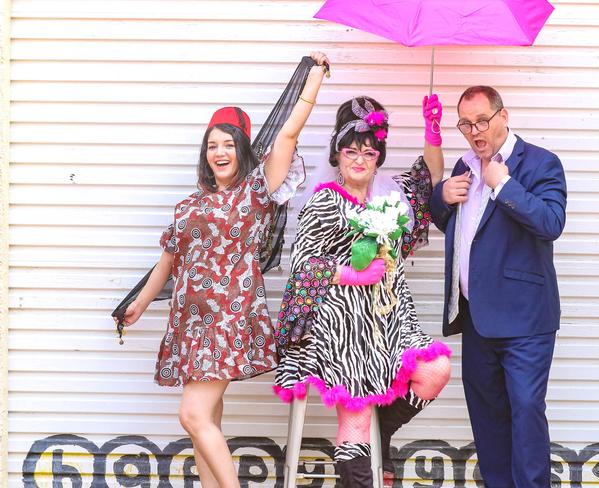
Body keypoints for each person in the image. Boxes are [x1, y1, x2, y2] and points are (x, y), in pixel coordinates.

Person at [115, 52, 330, 488]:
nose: (219, 152)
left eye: (229, 144)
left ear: (243, 148)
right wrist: (137, 305)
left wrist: (315, 76)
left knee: (191, 415)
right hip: (190, 323)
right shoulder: (189, 206)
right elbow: (168, 263)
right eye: (212, 145)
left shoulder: (256, 191)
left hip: (230, 319)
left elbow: (290, 130)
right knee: (205, 419)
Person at [273, 94, 452, 487]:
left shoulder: (390, 200)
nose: (359, 159)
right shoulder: (324, 201)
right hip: (341, 325)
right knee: (356, 407)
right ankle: (361, 464)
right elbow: (302, 267)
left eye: (369, 152)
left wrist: (433, 130)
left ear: (378, 158)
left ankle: (381, 431)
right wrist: (350, 274)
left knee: (436, 369)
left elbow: (430, 178)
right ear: (337, 155)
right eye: (351, 151)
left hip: (388, 321)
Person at [429, 85, 567, 487]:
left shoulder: (541, 164)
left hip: (525, 321)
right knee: (487, 417)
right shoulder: (463, 167)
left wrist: (503, 185)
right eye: (466, 124)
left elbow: (550, 223)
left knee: (525, 411)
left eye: (482, 121)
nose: (475, 131)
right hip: (476, 319)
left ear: (503, 116)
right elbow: (456, 228)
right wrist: (442, 197)